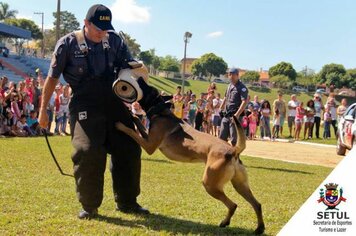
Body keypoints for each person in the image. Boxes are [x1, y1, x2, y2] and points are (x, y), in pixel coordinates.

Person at [38, 4, 149, 219]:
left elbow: (131, 67)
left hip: (113, 101)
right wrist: (43, 110)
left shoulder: (115, 40)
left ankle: (127, 202)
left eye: (105, 28)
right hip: (84, 103)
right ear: (86, 23)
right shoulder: (67, 44)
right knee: (89, 150)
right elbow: (52, 79)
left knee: (129, 146)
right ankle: (89, 206)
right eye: (97, 28)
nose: (102, 32)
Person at [219, 68, 248, 146]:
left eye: (232, 74)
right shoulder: (229, 86)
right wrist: (221, 108)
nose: (230, 76)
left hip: (235, 116)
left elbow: (244, 101)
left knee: (234, 140)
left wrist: (237, 115)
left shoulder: (242, 87)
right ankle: (223, 156)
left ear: (237, 75)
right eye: (229, 74)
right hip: (226, 114)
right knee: (221, 138)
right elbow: (225, 97)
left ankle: (235, 157)